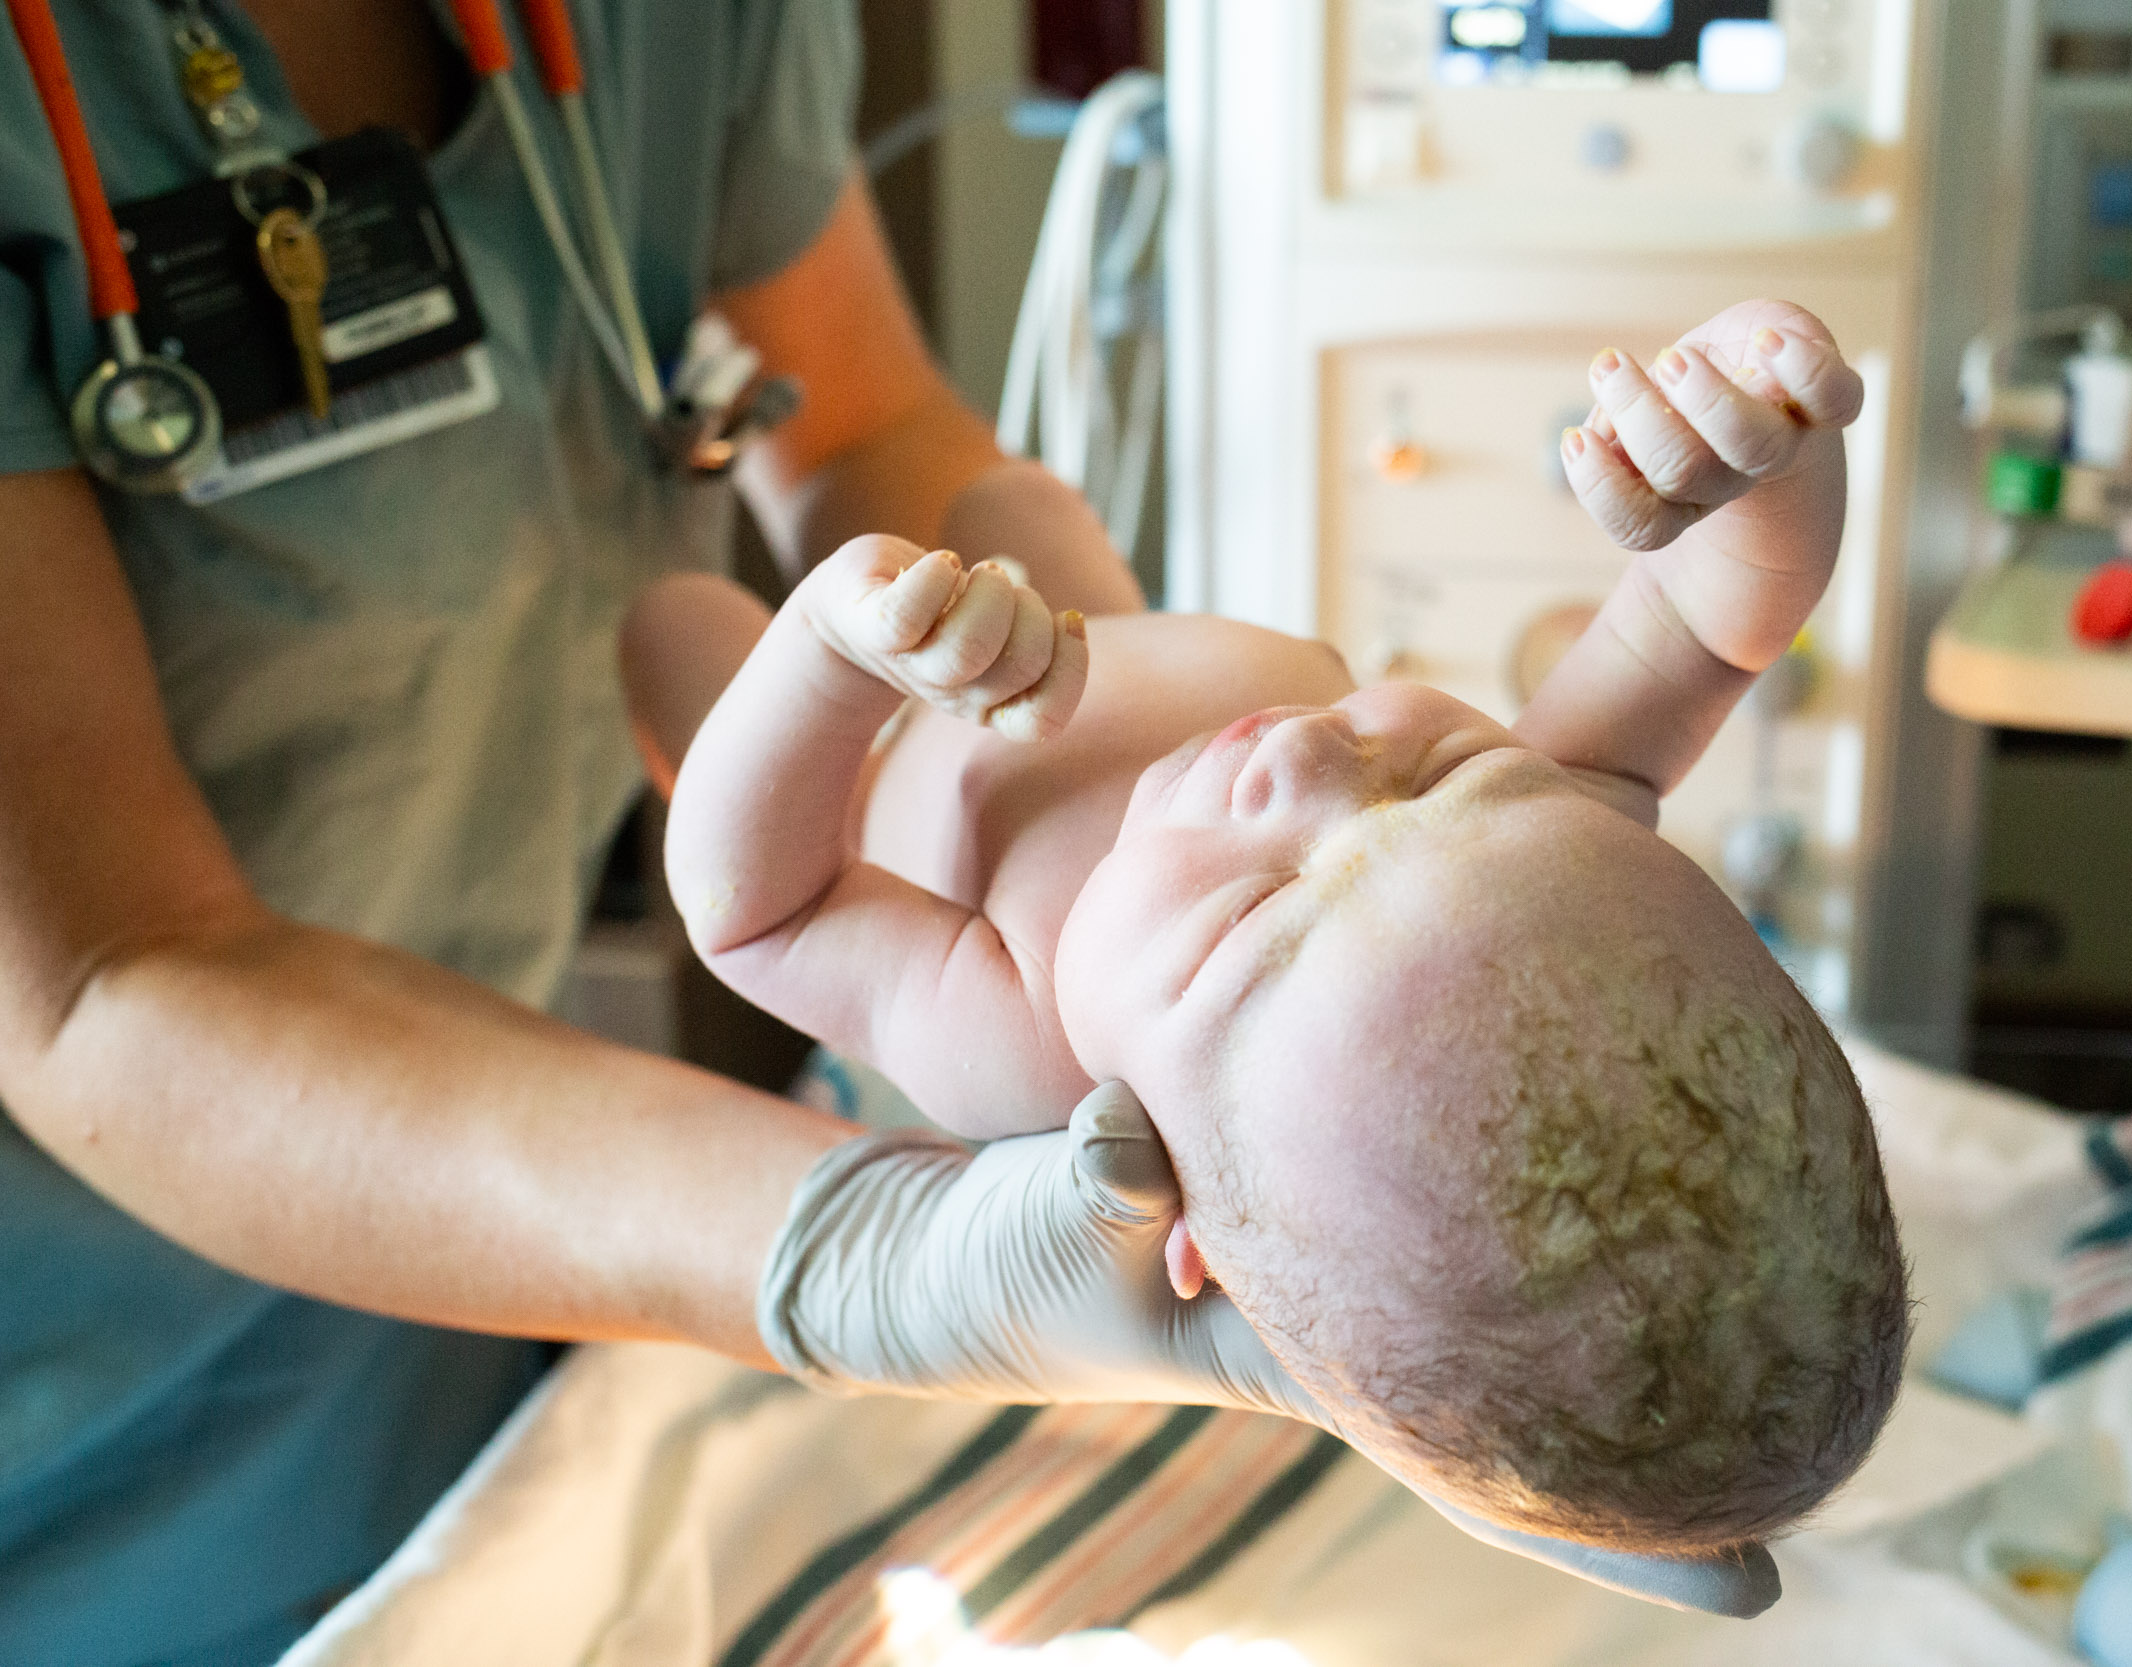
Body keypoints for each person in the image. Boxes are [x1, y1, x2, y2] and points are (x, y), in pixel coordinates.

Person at [0, 4, 1219, 1662]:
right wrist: (855, 1244)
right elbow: (106, 974)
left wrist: (1081, 765)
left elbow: (858, 423)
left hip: (446, 1259)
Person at [629, 301, 1911, 1560]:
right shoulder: (1555, 832)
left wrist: (824, 662)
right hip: (1079, 639)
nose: (1304, 757)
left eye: (1254, 912)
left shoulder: (1032, 1038)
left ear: (1198, 1238)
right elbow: (1707, 618)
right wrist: (1760, 433)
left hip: (864, 767)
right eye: (1442, 777)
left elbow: (766, 912)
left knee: (672, 622)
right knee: (1013, 512)